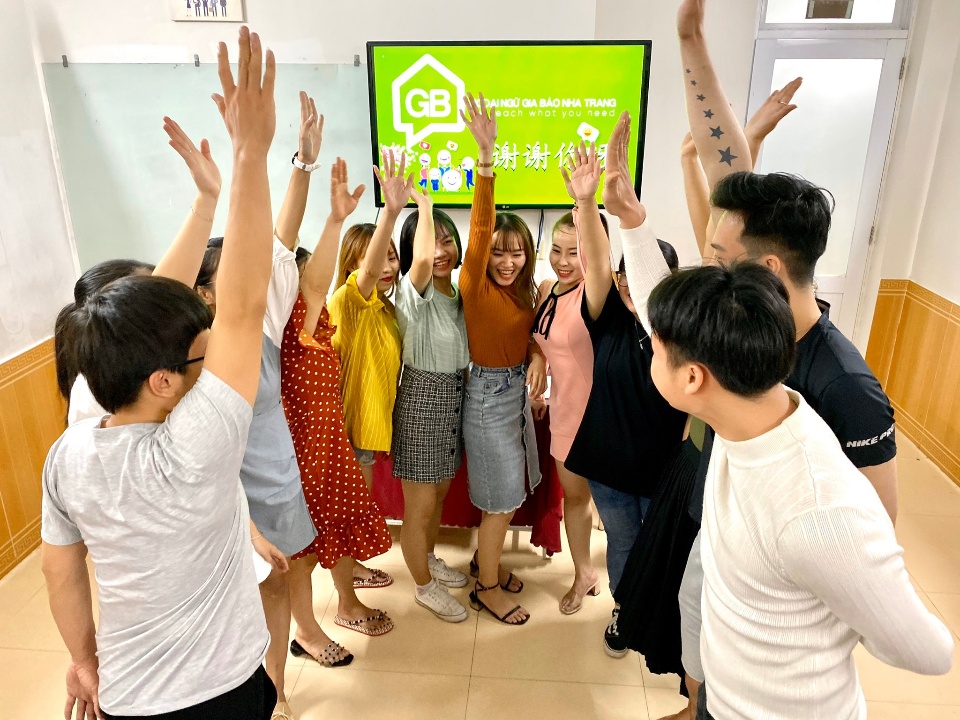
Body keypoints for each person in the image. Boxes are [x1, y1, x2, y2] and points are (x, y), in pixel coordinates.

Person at [651, 3, 903, 716]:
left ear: (765, 267)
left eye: (718, 256)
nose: (707, 263)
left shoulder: (845, 386)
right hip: (719, 527)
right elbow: (722, 168)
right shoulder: (744, 318)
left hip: (782, 594)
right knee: (695, 634)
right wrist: (689, 39)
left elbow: (876, 540)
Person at [41, 26, 278, 719]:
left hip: (126, 696)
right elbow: (244, 305)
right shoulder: (192, 451)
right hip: (221, 695)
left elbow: (60, 568)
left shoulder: (76, 442)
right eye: (201, 353)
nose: (214, 354)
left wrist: (84, 659)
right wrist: (251, 153)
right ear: (164, 382)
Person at [645, 262, 954, 720]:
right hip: (722, 698)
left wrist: (844, 603)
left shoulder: (818, 509)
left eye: (653, 350)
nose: (650, 357)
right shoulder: (748, 414)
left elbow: (930, 652)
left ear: (692, 378)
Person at [192, 90, 327, 720]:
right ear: (202, 289)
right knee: (229, 599)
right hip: (221, 497)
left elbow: (280, 242)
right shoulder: (182, 352)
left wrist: (301, 164)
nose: (249, 279)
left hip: (276, 480)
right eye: (230, 272)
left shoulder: (263, 324)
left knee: (279, 583)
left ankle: (274, 687)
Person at [553, 116, 688, 655]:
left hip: (662, 467)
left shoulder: (680, 334)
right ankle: (626, 613)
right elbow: (598, 260)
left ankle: (660, 619)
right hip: (608, 465)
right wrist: (588, 204)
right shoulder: (606, 314)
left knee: (661, 547)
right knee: (625, 545)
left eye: (645, 279)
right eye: (626, 277)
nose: (632, 288)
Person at [281, 156, 395, 670]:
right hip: (301, 457)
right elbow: (361, 272)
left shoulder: (317, 324)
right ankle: (307, 630)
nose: (310, 288)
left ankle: (346, 600)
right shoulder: (280, 334)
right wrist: (384, 212)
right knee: (300, 554)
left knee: (340, 528)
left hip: (331, 450)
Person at [459, 92, 544, 626]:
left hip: (512, 394)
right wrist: (486, 161)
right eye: (498, 251)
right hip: (488, 398)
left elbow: (526, 334)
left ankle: (482, 562)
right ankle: (485, 588)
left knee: (507, 494)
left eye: (517, 251)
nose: (507, 260)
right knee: (501, 500)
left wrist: (535, 354)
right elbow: (479, 228)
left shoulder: (524, 293)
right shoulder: (474, 285)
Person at [326, 149, 411, 593]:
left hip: (370, 428)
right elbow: (368, 273)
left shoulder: (387, 310)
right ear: (351, 266)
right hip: (348, 429)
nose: (386, 267)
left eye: (393, 258)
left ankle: (353, 568)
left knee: (356, 507)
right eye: (378, 259)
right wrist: (390, 214)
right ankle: (345, 598)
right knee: (345, 512)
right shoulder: (348, 300)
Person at [392, 186, 471, 622]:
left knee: (439, 494)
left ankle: (427, 557)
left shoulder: (457, 294)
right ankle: (423, 586)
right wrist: (423, 205)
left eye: (447, 240)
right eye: (431, 241)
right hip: (422, 402)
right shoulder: (412, 291)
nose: (440, 251)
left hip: (453, 399)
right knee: (419, 507)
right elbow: (422, 262)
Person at [529, 146, 602, 616]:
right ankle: (584, 573)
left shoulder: (595, 292)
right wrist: (538, 357)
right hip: (563, 411)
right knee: (575, 499)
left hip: (599, 416)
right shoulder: (546, 289)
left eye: (574, 252)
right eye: (556, 250)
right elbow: (542, 337)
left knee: (606, 503)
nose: (563, 260)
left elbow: (597, 259)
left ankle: (620, 585)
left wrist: (585, 203)